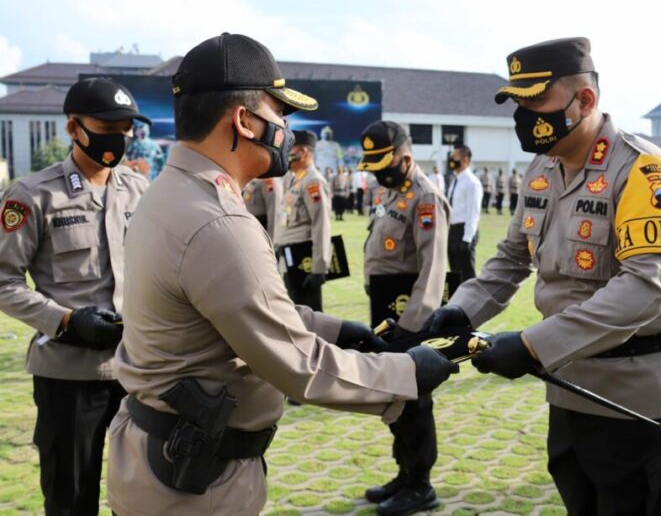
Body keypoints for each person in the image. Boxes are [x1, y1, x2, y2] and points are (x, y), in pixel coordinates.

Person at [106, 33, 458, 516]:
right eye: (279, 115)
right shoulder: (217, 222)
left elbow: (234, 309)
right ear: (244, 121)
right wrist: (409, 373)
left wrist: (338, 329)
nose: (287, 132)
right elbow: (298, 367)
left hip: (163, 457)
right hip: (195, 481)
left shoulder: (170, 194)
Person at [423, 38, 661, 515]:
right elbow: (509, 259)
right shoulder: (542, 168)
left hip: (633, 400)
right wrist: (461, 308)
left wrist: (530, 346)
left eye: (536, 102)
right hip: (568, 388)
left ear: (584, 100)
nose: (524, 116)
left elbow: (643, 290)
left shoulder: (643, 169)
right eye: (518, 104)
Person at [0, 77, 150, 515]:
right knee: (70, 500)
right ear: (73, 129)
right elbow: (4, 282)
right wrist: (64, 320)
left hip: (136, 372)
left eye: (126, 128)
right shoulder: (33, 195)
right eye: (107, 125)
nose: (119, 137)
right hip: (68, 378)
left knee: (144, 494)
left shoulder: (141, 192)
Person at [358, 120, 450, 515]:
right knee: (395, 397)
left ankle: (421, 485)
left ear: (405, 157)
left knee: (415, 400)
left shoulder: (425, 198)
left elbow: (432, 270)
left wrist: (412, 328)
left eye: (383, 162)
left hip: (408, 316)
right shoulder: (394, 193)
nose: (378, 171)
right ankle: (404, 472)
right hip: (387, 311)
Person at [275, 129, 332, 312]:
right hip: (291, 257)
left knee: (310, 317)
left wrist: (319, 267)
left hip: (304, 260)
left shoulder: (313, 182)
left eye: (291, 150)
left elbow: (321, 226)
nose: (287, 154)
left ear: (303, 152)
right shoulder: (295, 181)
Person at [446, 145, 482, 282]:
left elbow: (473, 213)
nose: (451, 161)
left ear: (465, 160)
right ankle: (456, 303)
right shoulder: (455, 180)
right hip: (453, 230)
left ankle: (473, 303)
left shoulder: (472, 183)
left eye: (455, 158)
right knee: (454, 275)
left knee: (467, 276)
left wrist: (466, 239)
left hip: (464, 231)